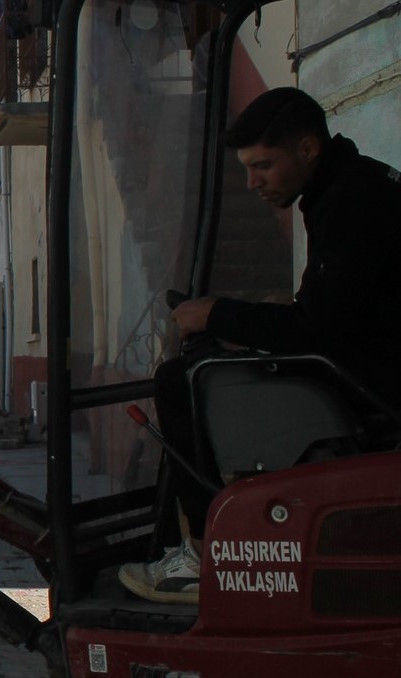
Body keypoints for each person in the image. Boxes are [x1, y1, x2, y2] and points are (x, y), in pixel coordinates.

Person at [119, 86, 401, 604]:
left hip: (376, 383)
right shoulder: (348, 186)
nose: (252, 183)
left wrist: (216, 314)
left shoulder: (352, 201)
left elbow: (318, 329)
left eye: (263, 166)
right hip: (366, 360)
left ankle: (203, 557)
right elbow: (334, 307)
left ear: (308, 149)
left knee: (182, 381)